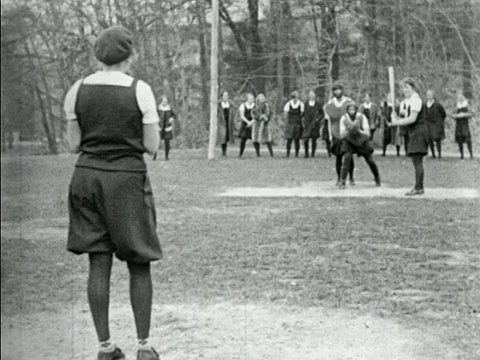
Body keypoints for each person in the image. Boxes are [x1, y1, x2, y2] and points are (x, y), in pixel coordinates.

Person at [64, 26, 162, 360]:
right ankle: (144, 347)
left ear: (98, 56)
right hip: (126, 181)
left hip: (86, 179)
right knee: (139, 261)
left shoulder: (77, 89)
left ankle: (106, 348)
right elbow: (151, 146)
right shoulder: (141, 90)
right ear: (130, 54)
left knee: (98, 262)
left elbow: (74, 144)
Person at [391, 77, 429, 196]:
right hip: (411, 133)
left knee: (417, 160)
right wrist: (394, 116)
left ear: (412, 87)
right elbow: (402, 118)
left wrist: (397, 122)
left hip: (419, 132)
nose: (404, 90)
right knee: (415, 160)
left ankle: (418, 187)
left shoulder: (416, 100)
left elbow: (412, 119)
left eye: (407, 87)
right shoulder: (405, 102)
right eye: (403, 87)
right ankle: (419, 187)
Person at [339, 101, 381, 189]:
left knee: (370, 160)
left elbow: (367, 133)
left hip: (361, 140)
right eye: (350, 109)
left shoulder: (361, 117)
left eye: (353, 109)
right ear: (347, 110)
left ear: (356, 109)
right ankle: (342, 181)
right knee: (347, 158)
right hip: (349, 140)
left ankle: (377, 178)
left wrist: (358, 130)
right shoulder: (344, 118)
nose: (352, 111)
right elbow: (342, 134)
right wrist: (348, 129)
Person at [323, 82, 355, 185]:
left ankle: (351, 177)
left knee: (349, 156)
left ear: (342, 90)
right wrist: (330, 136)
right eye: (335, 90)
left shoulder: (349, 102)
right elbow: (328, 121)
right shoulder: (330, 104)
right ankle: (339, 178)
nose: (337, 92)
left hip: (347, 133)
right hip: (336, 133)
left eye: (338, 90)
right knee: (338, 157)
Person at [424, 89, 447, 159]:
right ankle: (433, 154)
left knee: (437, 139)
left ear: (433, 96)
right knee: (429, 139)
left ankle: (439, 154)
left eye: (430, 95)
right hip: (428, 124)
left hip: (436, 124)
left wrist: (439, 121)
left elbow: (444, 114)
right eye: (428, 95)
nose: (429, 96)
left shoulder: (438, 105)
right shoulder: (425, 104)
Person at [451, 92, 474, 160]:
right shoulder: (456, 105)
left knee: (468, 139)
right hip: (458, 124)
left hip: (465, 124)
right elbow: (452, 114)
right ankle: (462, 155)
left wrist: (464, 115)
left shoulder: (467, 104)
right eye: (458, 97)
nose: (459, 98)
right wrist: (456, 116)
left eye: (461, 96)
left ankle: (471, 154)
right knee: (459, 139)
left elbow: (472, 114)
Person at [302, 90, 324, 158]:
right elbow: (303, 113)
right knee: (306, 139)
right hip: (307, 123)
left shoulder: (319, 104)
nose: (311, 95)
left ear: (315, 95)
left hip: (315, 124)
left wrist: (317, 119)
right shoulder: (305, 104)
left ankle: (313, 153)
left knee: (314, 139)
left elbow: (321, 114)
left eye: (312, 94)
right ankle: (306, 153)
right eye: (310, 94)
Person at [154, 95, 176, 161]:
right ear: (161, 102)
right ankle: (154, 156)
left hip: (167, 127)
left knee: (167, 142)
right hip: (159, 127)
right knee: (156, 142)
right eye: (163, 101)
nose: (164, 103)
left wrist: (172, 118)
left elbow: (174, 115)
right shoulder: (157, 108)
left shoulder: (170, 108)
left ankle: (166, 156)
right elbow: (153, 114)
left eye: (166, 101)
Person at [283, 91, 304, 157]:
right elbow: (285, 113)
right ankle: (287, 153)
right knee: (289, 139)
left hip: (298, 122)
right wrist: (286, 121)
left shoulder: (301, 104)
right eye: (294, 98)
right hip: (290, 122)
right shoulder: (288, 104)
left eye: (296, 97)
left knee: (297, 139)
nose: (295, 99)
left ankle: (296, 154)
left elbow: (302, 113)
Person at [217, 90, 235, 157]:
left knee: (227, 137)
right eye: (224, 95)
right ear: (222, 96)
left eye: (227, 95)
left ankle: (225, 151)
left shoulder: (231, 103)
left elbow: (233, 113)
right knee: (223, 136)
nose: (226, 97)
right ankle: (223, 152)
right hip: (222, 121)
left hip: (229, 121)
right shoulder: (219, 104)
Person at [238, 93, 255, 157]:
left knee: (255, 139)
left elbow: (256, 116)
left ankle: (258, 153)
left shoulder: (255, 106)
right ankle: (240, 153)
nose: (252, 100)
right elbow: (242, 116)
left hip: (253, 123)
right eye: (250, 99)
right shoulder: (243, 105)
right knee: (243, 139)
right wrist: (248, 122)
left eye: (252, 99)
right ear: (247, 99)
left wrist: (251, 122)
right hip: (245, 123)